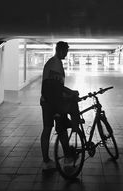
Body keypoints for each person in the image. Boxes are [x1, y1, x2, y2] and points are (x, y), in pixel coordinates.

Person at [40, 41, 80, 171]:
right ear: (61, 50)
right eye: (66, 51)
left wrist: (65, 94)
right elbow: (56, 86)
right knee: (61, 128)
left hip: (46, 101)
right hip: (53, 102)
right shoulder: (55, 63)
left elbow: (55, 86)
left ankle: (46, 161)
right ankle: (68, 157)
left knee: (48, 129)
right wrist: (70, 93)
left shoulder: (53, 62)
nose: (67, 54)